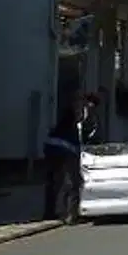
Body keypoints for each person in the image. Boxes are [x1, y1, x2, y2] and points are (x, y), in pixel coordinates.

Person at [42, 92, 98, 221]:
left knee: (53, 181)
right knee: (73, 181)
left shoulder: (66, 113)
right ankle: (71, 214)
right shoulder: (82, 114)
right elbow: (83, 134)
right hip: (67, 148)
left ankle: (49, 213)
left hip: (52, 146)